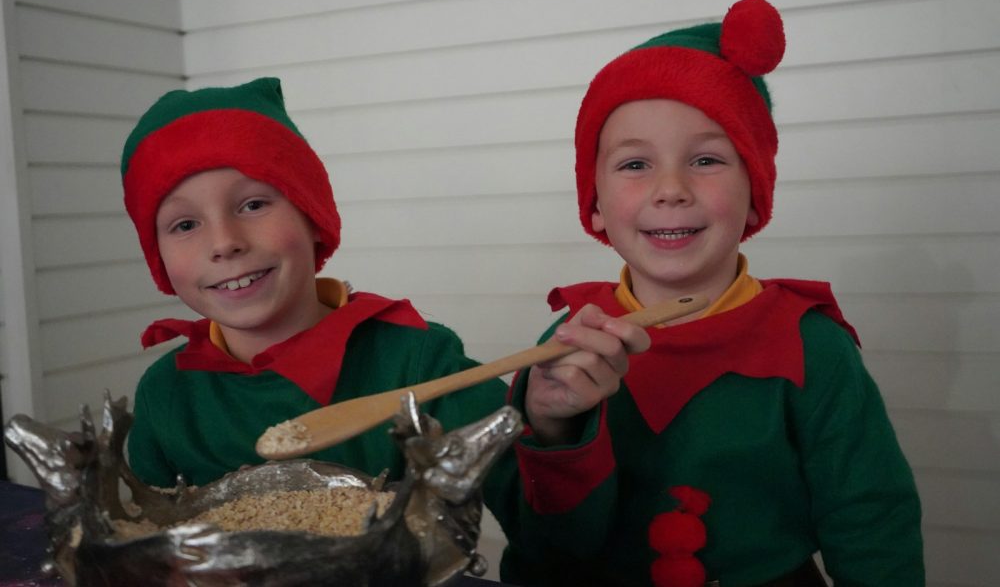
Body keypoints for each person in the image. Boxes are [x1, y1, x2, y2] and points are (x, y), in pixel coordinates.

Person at [120, 77, 649, 568]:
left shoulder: (419, 364)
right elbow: (150, 555)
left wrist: (554, 425)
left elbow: (558, 544)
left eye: (254, 203)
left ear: (312, 216)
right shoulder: (166, 396)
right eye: (185, 224)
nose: (224, 242)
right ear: (160, 259)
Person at [502, 0, 924, 587]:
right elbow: (545, 548)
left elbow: (872, 519)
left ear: (756, 193)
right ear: (595, 206)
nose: (670, 189)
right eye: (633, 165)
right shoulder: (570, 343)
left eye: (705, 159)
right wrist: (552, 428)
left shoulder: (812, 345)